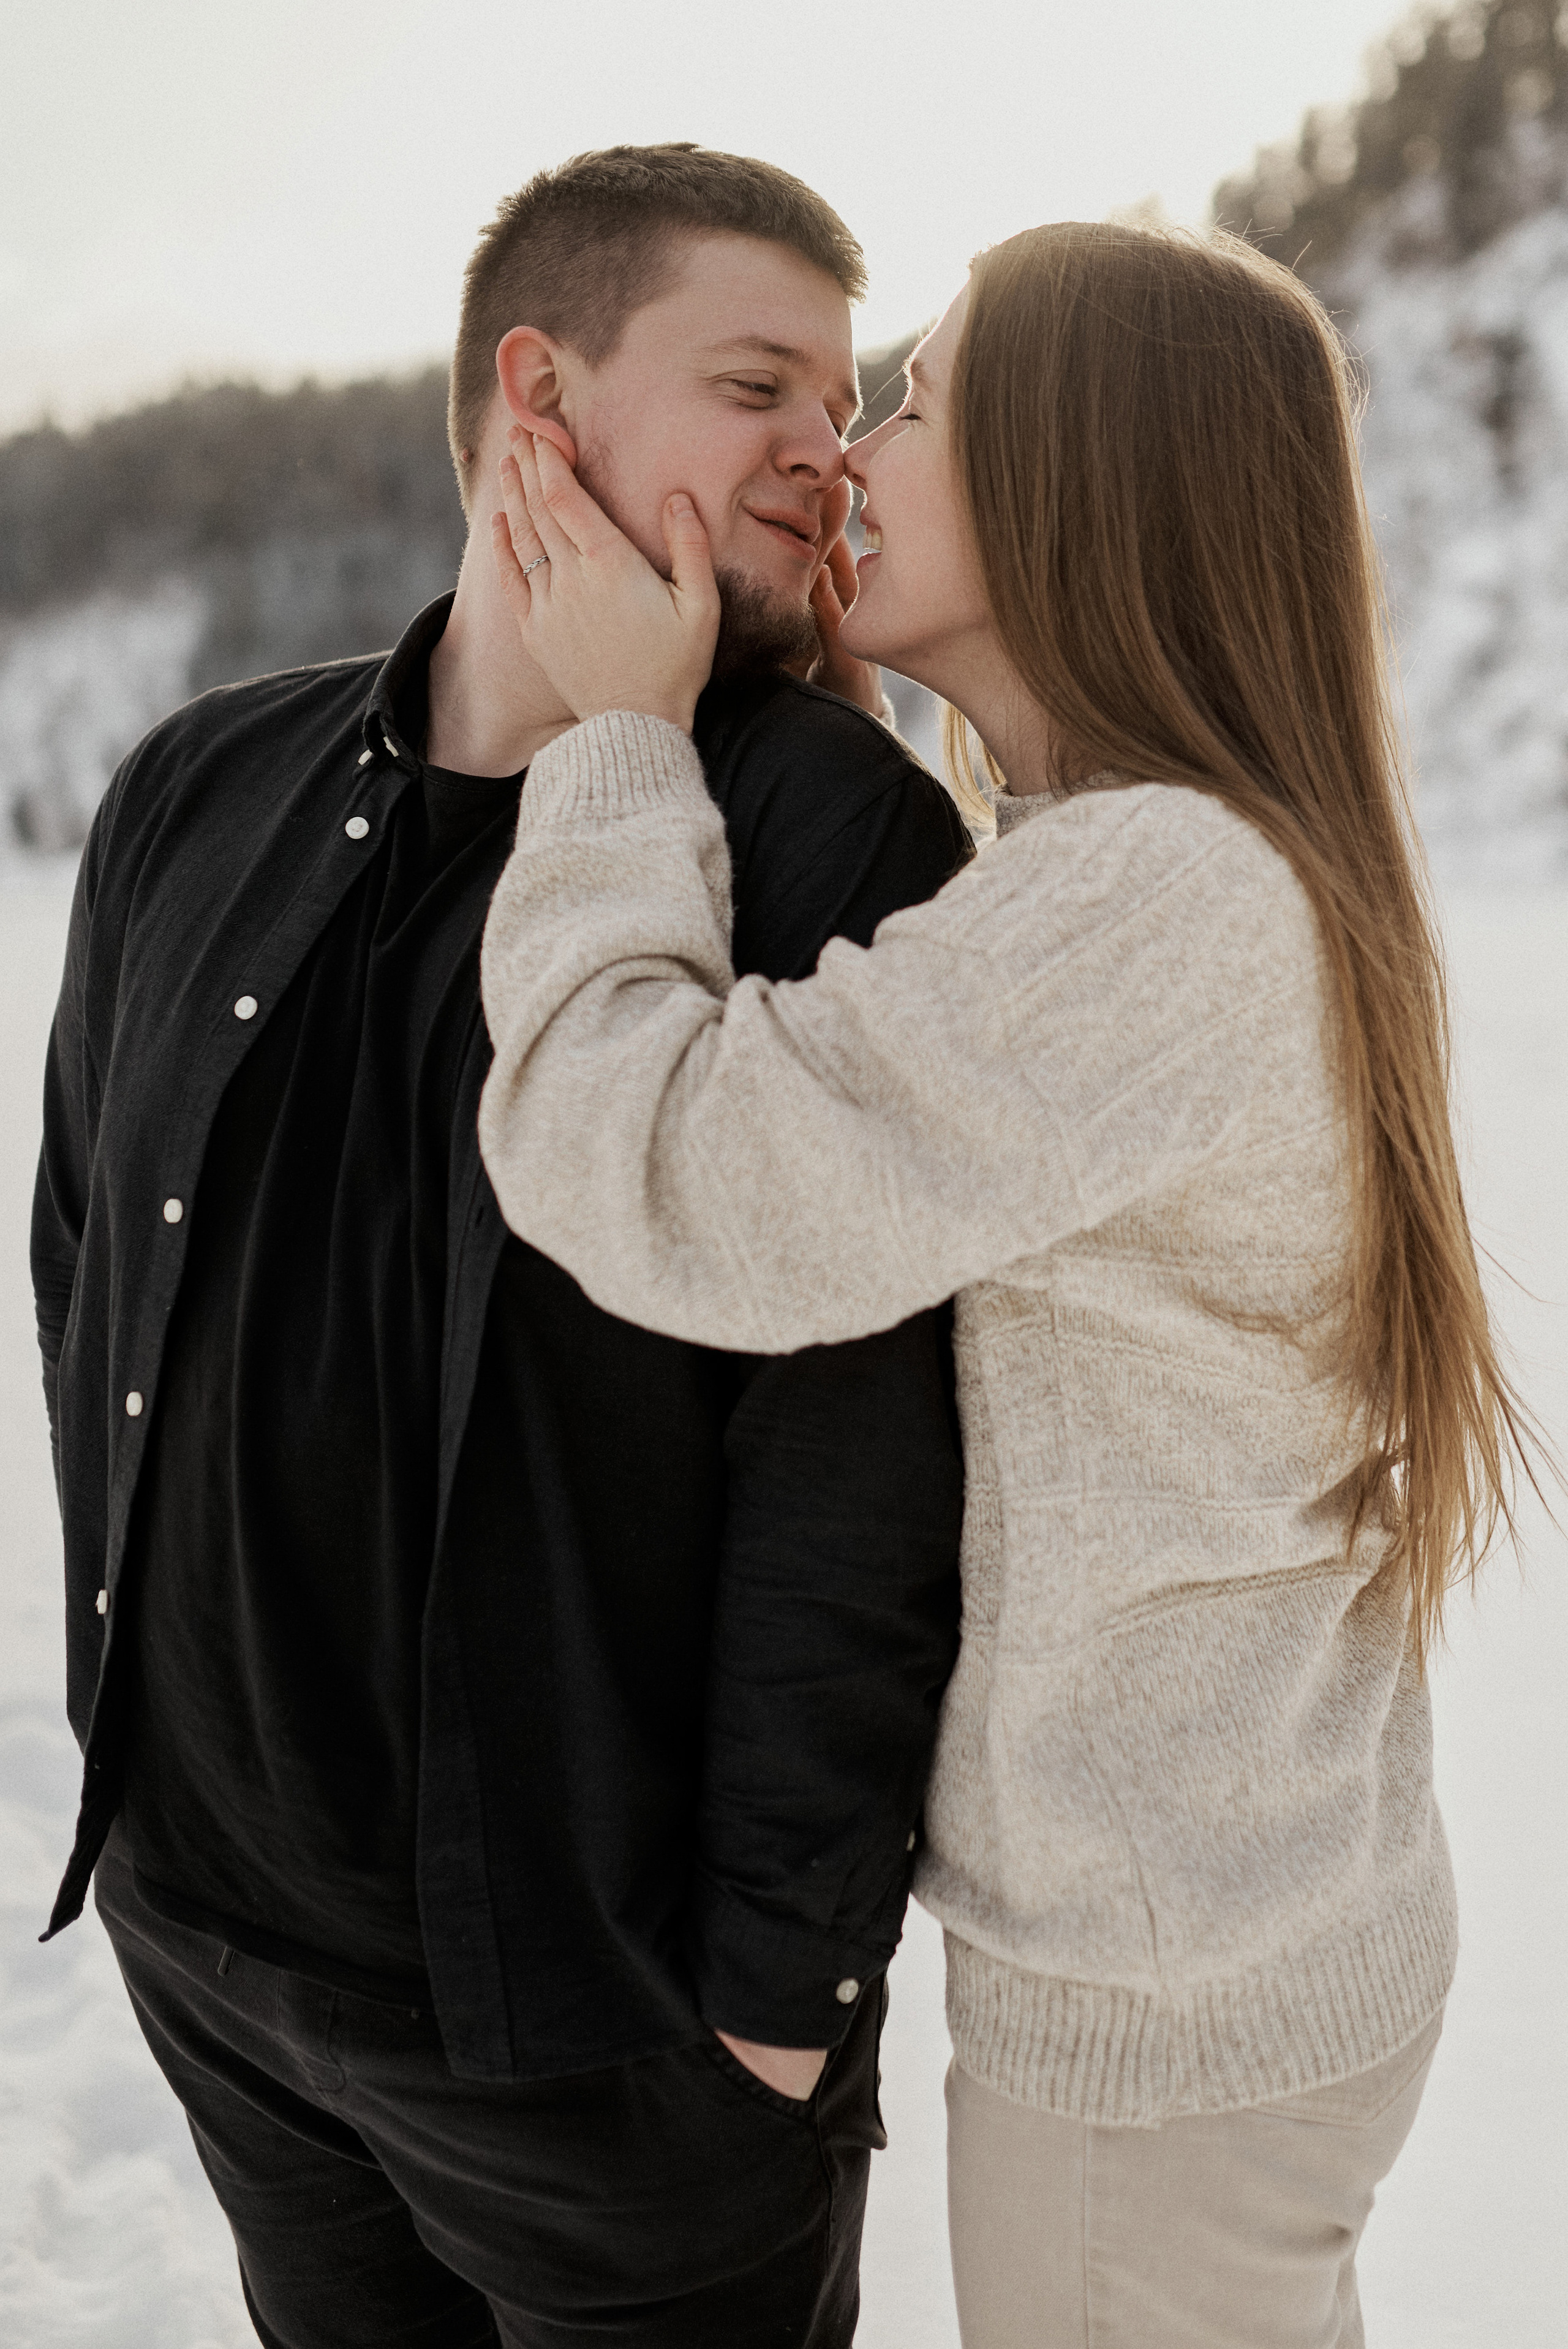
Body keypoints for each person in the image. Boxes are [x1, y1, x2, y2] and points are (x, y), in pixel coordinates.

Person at [473, 220, 1542, 2347]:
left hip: (1159, 2032)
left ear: (1076, 480)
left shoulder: (1158, 898)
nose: (850, 450)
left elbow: (658, 1166)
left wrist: (620, 745)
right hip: (1249, 1955)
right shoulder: (1186, 863)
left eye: (915, 400)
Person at [31, 145, 971, 2349]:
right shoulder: (193, 787)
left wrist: (772, 2007)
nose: (825, 453)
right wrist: (150, 1796)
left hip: (610, 2047)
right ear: (536, 398)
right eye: (762, 384)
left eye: (844, 400)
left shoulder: (831, 832)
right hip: (226, 1975)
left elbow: (864, 1466)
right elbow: (91, 1266)